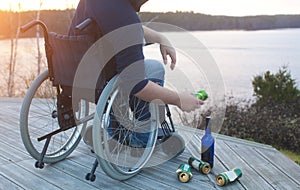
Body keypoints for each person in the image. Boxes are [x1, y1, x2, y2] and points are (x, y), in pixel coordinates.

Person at [69, 0, 203, 147]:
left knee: (125, 70)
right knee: (155, 68)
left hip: (78, 74)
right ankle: (141, 138)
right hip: (103, 79)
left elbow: (118, 21)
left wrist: (160, 38)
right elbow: (137, 85)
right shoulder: (126, 18)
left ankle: (114, 130)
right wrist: (178, 99)